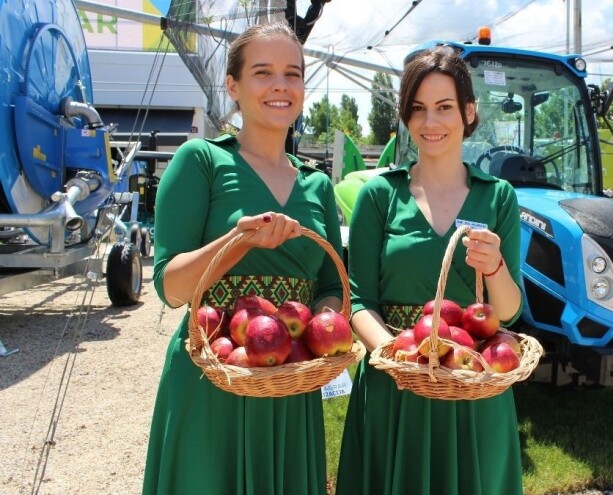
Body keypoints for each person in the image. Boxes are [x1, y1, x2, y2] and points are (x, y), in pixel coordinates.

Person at [142, 21, 343, 495]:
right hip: (215, 376)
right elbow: (171, 289)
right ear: (232, 86)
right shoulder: (201, 162)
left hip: (291, 378)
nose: (280, 85)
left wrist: (327, 323)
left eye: (292, 74)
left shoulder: (318, 185)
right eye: (262, 72)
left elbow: (332, 286)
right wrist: (239, 241)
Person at [336, 46, 524, 495]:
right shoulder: (380, 195)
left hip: (471, 383)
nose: (430, 122)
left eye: (444, 107)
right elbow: (359, 301)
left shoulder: (498, 197)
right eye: (417, 109)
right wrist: (403, 359)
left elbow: (511, 313)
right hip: (395, 388)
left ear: (469, 112)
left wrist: (495, 267)